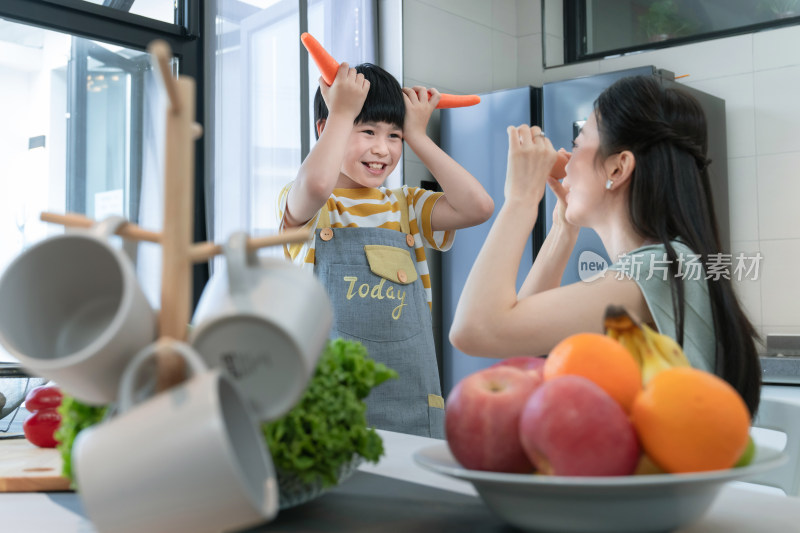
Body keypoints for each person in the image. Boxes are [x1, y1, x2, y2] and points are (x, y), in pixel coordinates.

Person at [449, 75, 761, 416]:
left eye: (579, 142)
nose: (567, 158)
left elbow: (475, 330)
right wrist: (562, 229)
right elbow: (517, 336)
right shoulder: (668, 262)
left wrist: (521, 200)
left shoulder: (656, 268)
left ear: (617, 167)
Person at [278, 61, 494, 438]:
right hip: (330, 406)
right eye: (367, 131)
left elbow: (479, 207)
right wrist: (342, 111)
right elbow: (313, 187)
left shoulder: (405, 206)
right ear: (326, 129)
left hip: (411, 404)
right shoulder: (313, 204)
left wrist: (418, 136)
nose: (382, 149)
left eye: (394, 136)